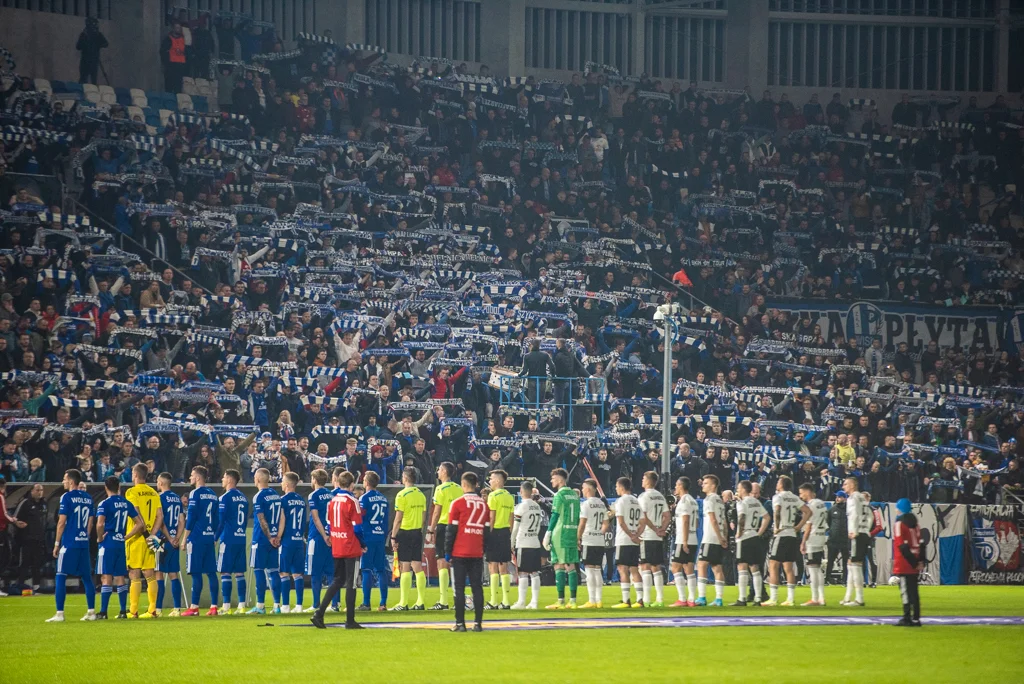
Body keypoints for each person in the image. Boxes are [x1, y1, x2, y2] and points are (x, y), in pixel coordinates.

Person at [310, 470, 364, 630]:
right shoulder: (352, 501)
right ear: (352, 484)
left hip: (337, 544)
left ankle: (319, 613)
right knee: (351, 583)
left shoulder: (333, 501)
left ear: (338, 483)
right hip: (350, 545)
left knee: (337, 580)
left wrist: (330, 536)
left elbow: (328, 523)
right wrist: (363, 543)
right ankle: (350, 620)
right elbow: (358, 528)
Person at [47, 469, 97, 622]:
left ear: (70, 481)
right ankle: (91, 612)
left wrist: (56, 543)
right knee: (87, 578)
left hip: (69, 542)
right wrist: (85, 536)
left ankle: (59, 614)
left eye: (64, 478)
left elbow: (61, 522)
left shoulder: (66, 497)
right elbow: (90, 521)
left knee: (61, 576)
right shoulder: (88, 498)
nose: (63, 481)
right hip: (83, 543)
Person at [96, 476, 145, 619]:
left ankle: (103, 612)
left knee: (106, 576)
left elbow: (100, 524)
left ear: (106, 488)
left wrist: (99, 538)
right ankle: (123, 611)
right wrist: (126, 536)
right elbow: (140, 524)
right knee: (120, 577)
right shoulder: (126, 503)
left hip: (108, 541)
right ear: (119, 487)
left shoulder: (104, 504)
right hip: (120, 543)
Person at [445, 471, 487, 632]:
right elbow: (487, 531)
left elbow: (451, 530)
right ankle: (478, 624)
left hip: (460, 552)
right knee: (477, 587)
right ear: (476, 484)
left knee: (459, 588)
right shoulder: (484, 504)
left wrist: (447, 552)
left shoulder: (457, 503)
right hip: (477, 552)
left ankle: (460, 623)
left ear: (463, 485)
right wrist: (484, 549)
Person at [762, 475, 809, 607]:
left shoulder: (778, 496)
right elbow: (808, 511)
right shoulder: (794, 497)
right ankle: (790, 599)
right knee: (788, 567)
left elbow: (777, 511)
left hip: (781, 533)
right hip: (792, 534)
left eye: (778, 481)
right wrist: (799, 527)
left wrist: (776, 527)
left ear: (782, 484)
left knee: (773, 565)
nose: (777, 483)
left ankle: (774, 598)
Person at [124, 462, 163, 618]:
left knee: (134, 573)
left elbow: (136, 513)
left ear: (135, 475)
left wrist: (141, 532)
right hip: (151, 539)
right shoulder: (154, 493)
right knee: (150, 574)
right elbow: (160, 516)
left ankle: (133, 611)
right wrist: (152, 534)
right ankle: (152, 610)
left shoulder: (131, 492)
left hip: (135, 537)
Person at [181, 465, 219, 616]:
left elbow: (191, 518)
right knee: (211, 573)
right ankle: (214, 607)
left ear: (197, 477)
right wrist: (214, 536)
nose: (190, 477)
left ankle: (194, 607)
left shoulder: (195, 493)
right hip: (209, 538)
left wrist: (184, 539)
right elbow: (216, 519)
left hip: (196, 538)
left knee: (196, 572)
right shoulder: (213, 494)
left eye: (191, 475)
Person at [543, 467, 581, 609]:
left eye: (553, 478)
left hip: (560, 533)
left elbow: (555, 515)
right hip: (572, 532)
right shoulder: (574, 495)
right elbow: (578, 516)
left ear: (560, 479)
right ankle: (573, 601)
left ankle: (561, 601)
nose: (551, 480)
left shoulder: (559, 495)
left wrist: (548, 532)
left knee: (558, 564)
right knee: (571, 565)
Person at [390, 466, 427, 610]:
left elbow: (398, 519)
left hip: (405, 532)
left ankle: (403, 603)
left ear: (405, 478)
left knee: (405, 566)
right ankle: (420, 602)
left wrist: (393, 536)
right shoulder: (421, 495)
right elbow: (424, 517)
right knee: (417, 566)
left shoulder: (402, 495)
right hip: (417, 532)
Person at [426, 461, 461, 610]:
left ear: (445, 472)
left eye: (440, 469)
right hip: (457, 526)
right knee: (455, 561)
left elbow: (437, 511)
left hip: (443, 526)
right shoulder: (459, 489)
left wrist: (431, 529)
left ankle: (443, 600)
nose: (438, 471)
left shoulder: (440, 489)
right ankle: (457, 598)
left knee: (441, 561)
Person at [249, 467, 283, 614]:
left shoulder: (258, 496)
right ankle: (276, 606)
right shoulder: (276, 495)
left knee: (259, 570)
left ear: (257, 479)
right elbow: (282, 516)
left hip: (262, 539)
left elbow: (262, 520)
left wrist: (269, 537)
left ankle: (260, 606)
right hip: (275, 539)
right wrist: (277, 536)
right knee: (274, 572)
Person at [636, 471, 670, 607]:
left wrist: (655, 529)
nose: (642, 480)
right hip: (657, 537)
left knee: (645, 566)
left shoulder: (644, 497)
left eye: (644, 478)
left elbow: (643, 517)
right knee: (656, 567)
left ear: (649, 481)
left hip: (647, 535)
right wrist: (662, 529)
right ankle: (660, 600)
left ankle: (646, 599)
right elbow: (667, 516)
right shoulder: (660, 497)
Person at [217, 469, 249, 614]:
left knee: (225, 572)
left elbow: (221, 521)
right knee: (239, 572)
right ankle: (242, 605)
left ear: (230, 480)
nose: (222, 480)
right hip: (241, 538)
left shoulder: (224, 498)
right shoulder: (243, 498)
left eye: (224, 477)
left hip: (228, 539)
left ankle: (226, 606)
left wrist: (215, 537)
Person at [357, 470, 390, 611]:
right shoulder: (383, 499)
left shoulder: (363, 499)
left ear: (367, 482)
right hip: (380, 537)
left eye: (364, 479)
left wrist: (361, 539)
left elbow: (360, 519)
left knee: (366, 569)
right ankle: (383, 603)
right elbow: (386, 521)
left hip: (368, 537)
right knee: (381, 570)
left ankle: (366, 603)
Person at [305, 468, 337, 614]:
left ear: (314, 480)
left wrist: (324, 535)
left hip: (317, 538)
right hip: (333, 537)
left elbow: (316, 518)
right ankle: (335, 605)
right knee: (332, 573)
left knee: (315, 572)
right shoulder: (332, 495)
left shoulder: (313, 495)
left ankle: (316, 604)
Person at [608, 476, 643, 608]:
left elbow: (621, 522)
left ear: (621, 487)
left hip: (624, 539)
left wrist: (630, 535)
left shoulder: (621, 501)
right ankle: (640, 599)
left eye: (617, 486)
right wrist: (637, 535)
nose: (616, 489)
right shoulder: (636, 500)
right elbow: (642, 521)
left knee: (622, 568)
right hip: (634, 539)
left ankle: (626, 600)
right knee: (634, 569)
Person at [732, 480, 768, 606]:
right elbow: (767, 517)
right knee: (755, 568)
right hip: (754, 536)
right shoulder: (756, 502)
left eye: (739, 488)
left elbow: (741, 518)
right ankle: (758, 599)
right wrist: (759, 532)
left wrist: (739, 532)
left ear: (744, 489)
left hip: (745, 537)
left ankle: (742, 599)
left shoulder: (742, 503)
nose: (737, 490)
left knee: (742, 567)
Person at [510, 480, 543, 609]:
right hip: (534, 542)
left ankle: (521, 602)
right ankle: (534, 602)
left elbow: (516, 528)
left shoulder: (521, 507)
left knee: (522, 573)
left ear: (521, 491)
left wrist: (511, 543)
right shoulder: (537, 506)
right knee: (535, 573)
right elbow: (539, 526)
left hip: (523, 542)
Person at [155, 472, 185, 616]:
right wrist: (176, 538)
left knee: (158, 573)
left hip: (160, 539)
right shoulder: (177, 499)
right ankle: (177, 609)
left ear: (161, 483)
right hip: (174, 540)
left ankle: (158, 609)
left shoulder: (159, 498)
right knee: (173, 574)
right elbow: (181, 521)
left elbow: (159, 521)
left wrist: (168, 537)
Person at [695, 474, 727, 607]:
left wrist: (719, 537)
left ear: (713, 486)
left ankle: (701, 597)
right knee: (717, 568)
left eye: (706, 483)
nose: (703, 484)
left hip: (710, 537)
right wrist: (724, 537)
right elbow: (724, 521)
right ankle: (719, 599)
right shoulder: (719, 500)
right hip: (718, 538)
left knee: (701, 564)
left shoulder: (709, 500)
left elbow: (713, 519)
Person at [485, 469, 515, 609]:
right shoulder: (509, 496)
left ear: (497, 480)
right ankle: (506, 601)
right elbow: (511, 518)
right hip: (505, 532)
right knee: (504, 566)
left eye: (491, 478)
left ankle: (493, 601)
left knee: (493, 566)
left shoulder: (493, 496)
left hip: (495, 531)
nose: (490, 481)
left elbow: (492, 516)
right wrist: (508, 533)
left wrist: (488, 533)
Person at [892, 498, 924, 627]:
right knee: (914, 591)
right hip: (915, 560)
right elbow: (922, 543)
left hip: (904, 562)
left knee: (905, 591)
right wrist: (919, 561)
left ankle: (906, 617)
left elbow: (902, 545)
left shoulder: (899, 524)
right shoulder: (916, 524)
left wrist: (912, 562)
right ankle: (916, 617)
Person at [278, 472, 307, 612]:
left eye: (283, 481)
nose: (281, 484)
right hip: (299, 540)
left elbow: (282, 520)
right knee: (298, 574)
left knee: (283, 572)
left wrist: (278, 536)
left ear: (288, 484)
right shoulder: (301, 500)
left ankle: (285, 606)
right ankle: (299, 606)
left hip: (287, 540)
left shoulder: (282, 500)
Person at [842, 476, 872, 607]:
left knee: (855, 564)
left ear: (852, 486)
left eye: (846, 484)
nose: (844, 486)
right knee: (851, 563)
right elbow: (870, 515)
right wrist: (867, 530)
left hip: (857, 533)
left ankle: (859, 598)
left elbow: (855, 514)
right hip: (864, 532)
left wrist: (854, 531)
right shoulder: (863, 498)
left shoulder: (853, 498)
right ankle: (848, 597)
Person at [578, 478, 607, 608]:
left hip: (589, 539)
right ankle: (599, 600)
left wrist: (577, 537)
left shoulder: (586, 504)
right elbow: (606, 523)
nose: (582, 490)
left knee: (589, 569)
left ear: (588, 489)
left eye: (583, 487)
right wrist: (600, 533)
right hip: (599, 541)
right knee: (597, 569)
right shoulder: (601, 504)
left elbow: (582, 523)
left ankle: (592, 600)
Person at [14, 483, 47, 595]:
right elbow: (15, 518)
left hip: (39, 539)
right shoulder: (25, 503)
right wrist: (18, 525)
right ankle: (20, 585)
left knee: (37, 563)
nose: (40, 492)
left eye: (41, 490)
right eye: (37, 490)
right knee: (25, 562)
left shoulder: (44, 504)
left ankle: (36, 586)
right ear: (32, 491)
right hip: (26, 539)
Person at [671, 476, 699, 607]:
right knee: (689, 568)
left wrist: (685, 541)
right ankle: (691, 600)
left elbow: (686, 520)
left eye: (677, 485)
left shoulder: (684, 501)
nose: (675, 487)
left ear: (681, 486)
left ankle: (682, 599)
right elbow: (697, 522)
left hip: (683, 539)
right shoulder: (693, 501)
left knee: (675, 567)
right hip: (693, 537)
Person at [799, 482, 829, 606]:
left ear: (807, 492)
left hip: (813, 538)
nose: (800, 496)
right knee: (818, 569)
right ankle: (821, 598)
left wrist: (803, 542)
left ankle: (815, 598)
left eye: (801, 493)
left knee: (813, 569)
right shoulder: (821, 504)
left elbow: (809, 526)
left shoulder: (810, 506)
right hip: (822, 537)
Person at [76, 17, 108, 85]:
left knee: (93, 80)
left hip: (94, 60)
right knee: (83, 79)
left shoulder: (98, 34)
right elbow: (78, 47)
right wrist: (85, 41)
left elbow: (106, 44)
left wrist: (98, 44)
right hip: (85, 61)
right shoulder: (84, 35)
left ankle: (93, 92)